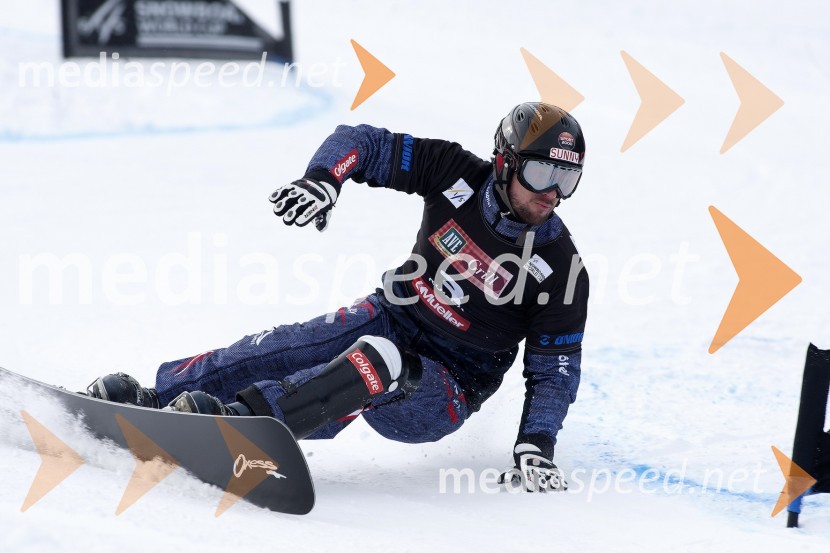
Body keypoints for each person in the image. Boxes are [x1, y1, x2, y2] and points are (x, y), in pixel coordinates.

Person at [89, 102, 589, 492]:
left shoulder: (561, 264)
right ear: (504, 162)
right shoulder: (454, 171)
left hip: (446, 389)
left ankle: (242, 429)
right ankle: (156, 401)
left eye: (567, 178)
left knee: (379, 362)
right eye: (543, 174)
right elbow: (363, 142)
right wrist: (324, 179)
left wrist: (536, 445)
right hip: (394, 315)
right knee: (287, 347)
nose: (553, 193)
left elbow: (555, 371)